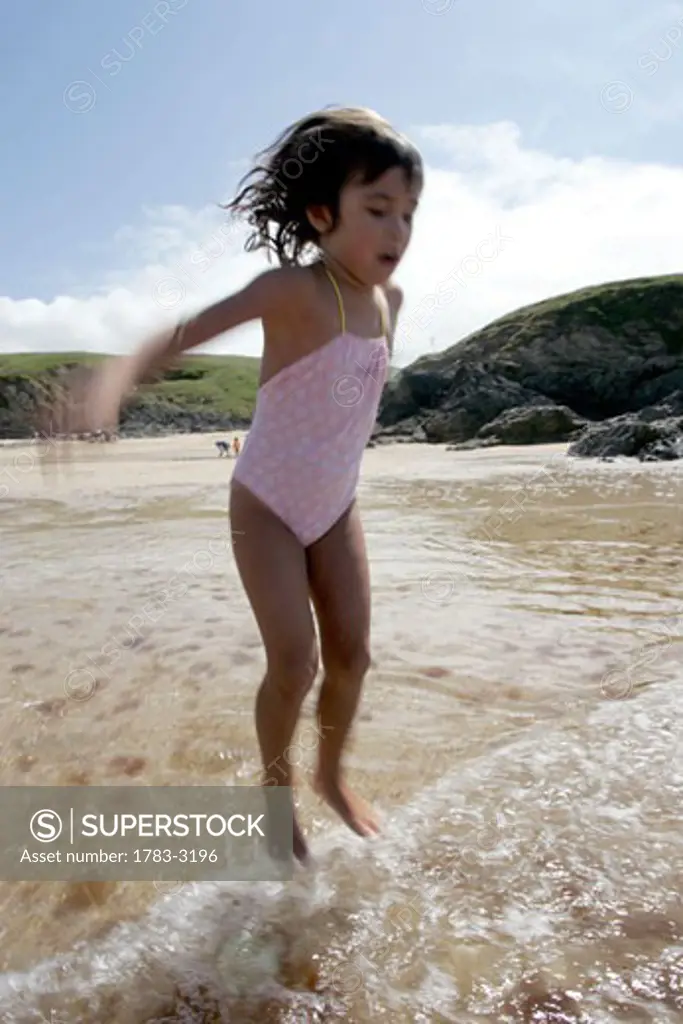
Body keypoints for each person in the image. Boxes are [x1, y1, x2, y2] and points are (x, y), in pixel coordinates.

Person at [49, 106, 423, 862]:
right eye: (376, 210)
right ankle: (272, 791)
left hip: (334, 504)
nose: (396, 232)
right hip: (267, 503)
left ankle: (330, 775)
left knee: (353, 656)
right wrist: (110, 387)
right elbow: (186, 332)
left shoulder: (392, 306)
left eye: (408, 214)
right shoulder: (289, 291)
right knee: (295, 660)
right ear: (322, 214)